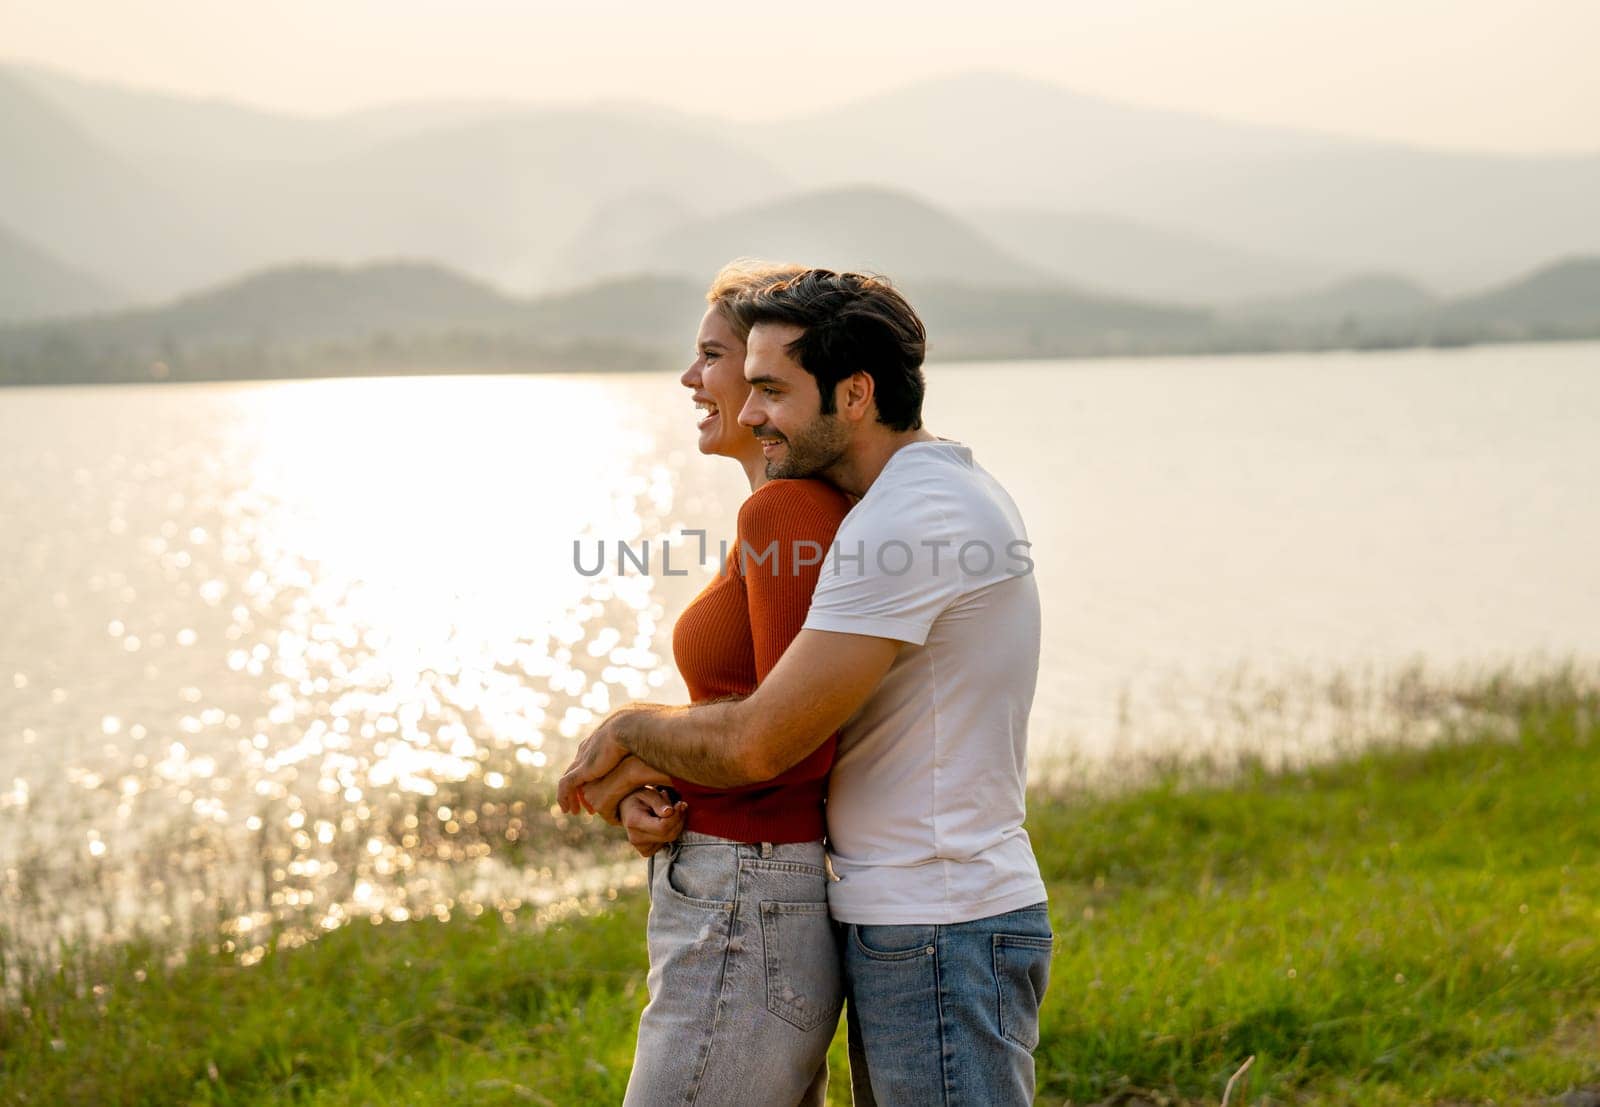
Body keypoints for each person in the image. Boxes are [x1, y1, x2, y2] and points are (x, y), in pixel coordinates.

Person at [561, 269, 1053, 1106]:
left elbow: (768, 742)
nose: (751, 413)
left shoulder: (911, 517)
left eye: (770, 390)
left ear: (854, 393)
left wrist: (632, 734)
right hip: (908, 910)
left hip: (939, 917)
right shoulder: (899, 500)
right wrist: (654, 770)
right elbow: (783, 715)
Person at [574, 261, 853, 1106]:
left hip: (747, 895)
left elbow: (788, 746)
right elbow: (758, 717)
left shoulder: (787, 512)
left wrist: (632, 744)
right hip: (741, 888)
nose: (692, 379)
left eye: (712, 357)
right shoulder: (771, 512)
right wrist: (646, 778)